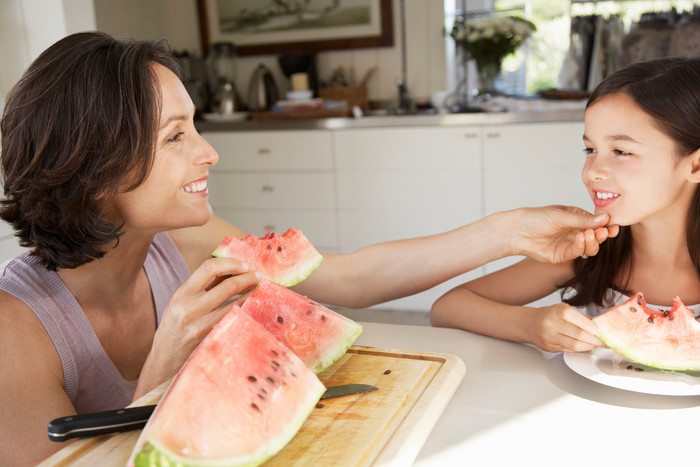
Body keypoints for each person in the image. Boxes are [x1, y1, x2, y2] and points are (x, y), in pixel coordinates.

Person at [0, 32, 616, 465]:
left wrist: (508, 231)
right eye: (175, 137)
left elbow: (347, 280)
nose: (209, 153)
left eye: (198, 126)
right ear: (97, 167)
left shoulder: (178, 244)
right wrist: (164, 372)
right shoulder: (16, 329)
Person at [431, 56, 700, 355]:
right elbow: (447, 308)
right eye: (591, 149)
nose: (593, 170)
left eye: (621, 151)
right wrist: (530, 325)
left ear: (696, 165)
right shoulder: (586, 252)